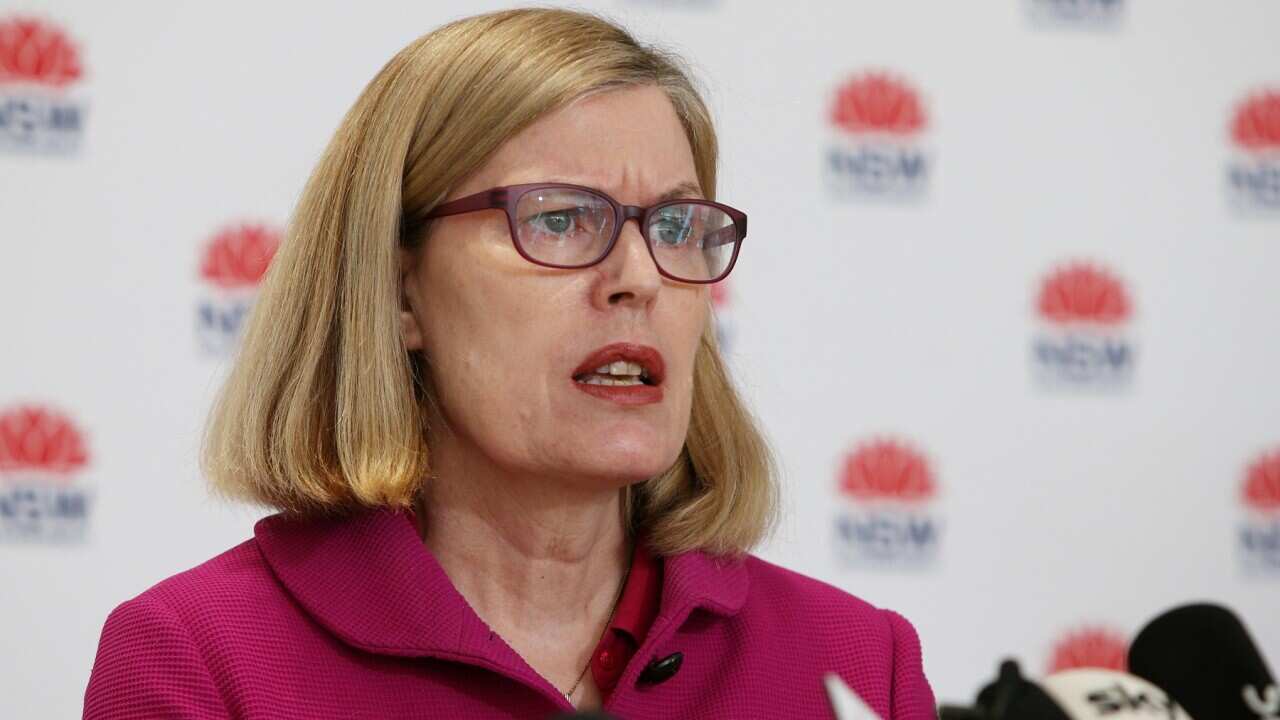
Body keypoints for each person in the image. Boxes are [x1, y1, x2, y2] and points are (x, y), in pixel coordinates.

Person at [83, 8, 936, 718]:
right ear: (399, 289)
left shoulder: (860, 664)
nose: (638, 277)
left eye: (675, 228)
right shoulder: (199, 662)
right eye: (561, 219)